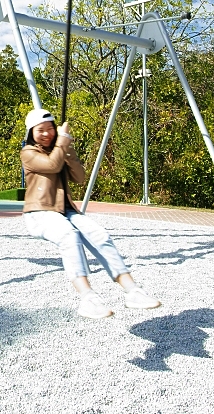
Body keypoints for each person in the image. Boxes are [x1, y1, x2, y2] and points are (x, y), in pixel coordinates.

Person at [20, 108, 162, 318]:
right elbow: (51, 165)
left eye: (50, 129)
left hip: (65, 210)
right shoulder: (29, 153)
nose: (47, 133)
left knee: (100, 235)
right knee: (70, 236)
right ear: (31, 133)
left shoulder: (60, 149)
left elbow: (79, 177)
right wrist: (62, 142)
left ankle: (132, 290)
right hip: (39, 212)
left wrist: (68, 149)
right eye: (40, 130)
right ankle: (88, 298)